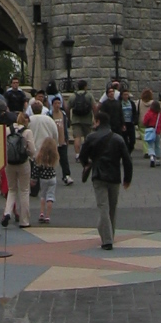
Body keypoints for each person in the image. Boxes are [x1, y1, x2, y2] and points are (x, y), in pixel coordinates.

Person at [78, 109, 133, 249]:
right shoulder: (118, 138)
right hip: (114, 176)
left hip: (98, 175)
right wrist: (127, 178)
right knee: (112, 208)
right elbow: (127, 160)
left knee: (103, 206)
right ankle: (110, 235)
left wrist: (87, 164)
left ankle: (107, 239)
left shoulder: (91, 138)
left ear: (97, 122)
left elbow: (82, 156)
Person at [2, 111, 34, 228]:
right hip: (23, 163)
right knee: (24, 190)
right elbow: (32, 150)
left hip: (9, 163)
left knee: (12, 190)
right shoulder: (27, 132)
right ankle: (24, 221)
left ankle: (7, 213)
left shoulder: (7, 130)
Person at [33, 137, 59, 224]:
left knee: (43, 195)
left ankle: (41, 213)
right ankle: (47, 216)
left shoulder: (40, 157)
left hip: (43, 178)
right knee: (50, 197)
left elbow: (36, 168)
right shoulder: (54, 156)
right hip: (52, 178)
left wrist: (34, 178)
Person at [50, 95, 73, 184]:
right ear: (52, 105)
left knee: (64, 159)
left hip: (62, 140)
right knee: (51, 159)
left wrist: (66, 138)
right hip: (53, 141)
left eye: (59, 103)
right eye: (55, 103)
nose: (57, 105)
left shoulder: (63, 114)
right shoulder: (49, 114)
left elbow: (65, 126)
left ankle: (66, 175)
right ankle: (50, 174)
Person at [69, 82, 95, 152]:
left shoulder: (73, 96)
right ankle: (87, 153)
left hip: (76, 120)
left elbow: (67, 108)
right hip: (87, 120)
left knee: (77, 137)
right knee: (88, 137)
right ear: (85, 86)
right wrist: (95, 118)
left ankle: (77, 154)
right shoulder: (89, 95)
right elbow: (94, 107)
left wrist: (69, 119)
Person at [141, 90, 161, 165]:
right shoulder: (159, 115)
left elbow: (145, 122)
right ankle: (158, 159)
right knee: (157, 145)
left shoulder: (149, 113)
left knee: (150, 145)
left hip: (150, 130)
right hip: (157, 131)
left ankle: (151, 156)